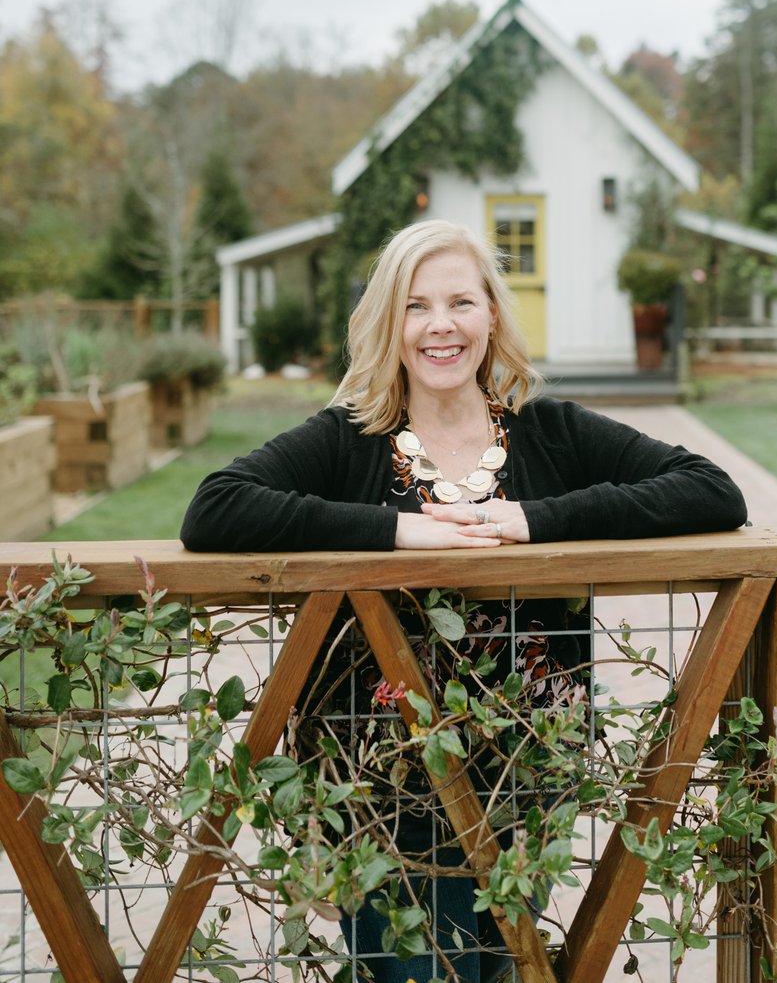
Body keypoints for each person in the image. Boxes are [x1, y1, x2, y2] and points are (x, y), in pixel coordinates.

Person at [181, 219, 747, 982]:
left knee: (501, 969)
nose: (440, 325)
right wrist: (396, 530)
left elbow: (713, 489)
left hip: (528, 781)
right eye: (416, 306)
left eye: (460, 302)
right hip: (382, 793)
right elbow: (214, 508)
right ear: (390, 323)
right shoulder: (350, 440)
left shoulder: (552, 433)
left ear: (491, 315)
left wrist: (536, 518)